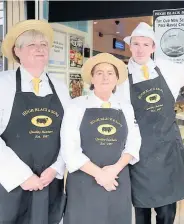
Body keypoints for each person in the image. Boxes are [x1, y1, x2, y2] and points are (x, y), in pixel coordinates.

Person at [115, 22, 184, 224]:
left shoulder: (168, 69)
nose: (140, 49)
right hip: (139, 155)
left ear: (153, 47)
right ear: (130, 46)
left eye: (145, 45)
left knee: (167, 215)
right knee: (141, 215)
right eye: (136, 44)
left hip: (167, 153)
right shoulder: (120, 77)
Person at [0, 20, 70, 223]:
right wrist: (23, 176)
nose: (40, 49)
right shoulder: (3, 84)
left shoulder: (60, 88)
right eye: (32, 45)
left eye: (44, 44)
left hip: (50, 181)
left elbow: (69, 134)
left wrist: (56, 168)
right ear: (17, 51)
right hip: (11, 183)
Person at [61, 53, 141, 224]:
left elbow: (134, 143)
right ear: (92, 78)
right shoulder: (76, 106)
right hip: (85, 181)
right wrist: (100, 174)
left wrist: (113, 170)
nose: (105, 77)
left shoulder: (125, 107)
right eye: (99, 73)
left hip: (117, 179)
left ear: (117, 78)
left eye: (110, 73)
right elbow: (70, 149)